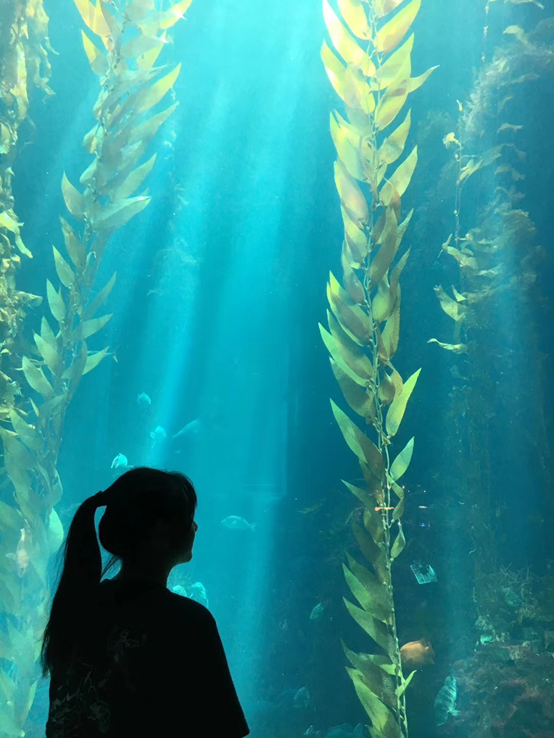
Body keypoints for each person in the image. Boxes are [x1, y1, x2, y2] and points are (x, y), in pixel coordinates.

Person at [42, 467, 249, 738]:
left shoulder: (78, 609)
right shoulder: (188, 623)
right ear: (161, 532)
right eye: (188, 519)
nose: (195, 527)